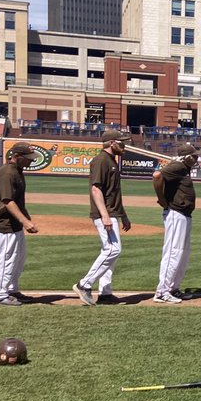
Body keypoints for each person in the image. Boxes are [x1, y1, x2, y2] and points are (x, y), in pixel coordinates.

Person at [73, 129, 130, 306]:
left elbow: (113, 192)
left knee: (110, 253)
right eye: (121, 142)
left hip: (113, 212)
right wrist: (105, 215)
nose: (124, 145)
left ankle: (105, 293)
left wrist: (123, 215)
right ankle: (84, 284)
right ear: (112, 143)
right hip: (105, 214)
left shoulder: (111, 161)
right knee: (113, 250)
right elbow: (96, 189)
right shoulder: (101, 161)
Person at [0, 142, 39, 306]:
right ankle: (0, 294)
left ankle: (11, 289)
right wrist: (25, 222)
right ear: (16, 156)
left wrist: (25, 218)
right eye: (28, 158)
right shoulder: (7, 173)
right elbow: (8, 201)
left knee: (18, 258)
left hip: (14, 223)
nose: (31, 161)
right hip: (5, 223)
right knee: (6, 259)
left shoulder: (18, 170)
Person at [152, 143, 199, 304]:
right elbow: (157, 176)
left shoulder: (184, 168)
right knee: (173, 252)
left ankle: (173, 288)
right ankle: (161, 291)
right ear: (187, 156)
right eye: (194, 156)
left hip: (184, 214)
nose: (197, 158)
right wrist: (162, 199)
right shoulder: (177, 166)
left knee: (183, 253)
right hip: (175, 213)